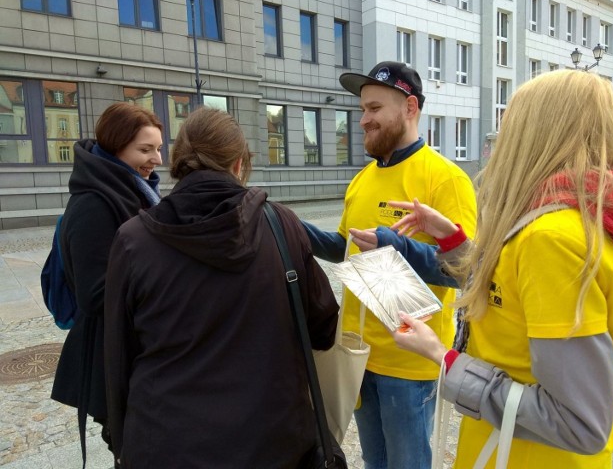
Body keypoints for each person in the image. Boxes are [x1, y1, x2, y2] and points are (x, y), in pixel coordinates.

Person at [390, 69, 613, 468]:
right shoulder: (586, 217)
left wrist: (442, 358)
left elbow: (578, 422)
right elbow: (514, 296)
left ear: (531, 135)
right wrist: (453, 242)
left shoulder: (552, 239)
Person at [103, 107, 340, 469]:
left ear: (178, 164)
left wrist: (121, 440)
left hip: (166, 444)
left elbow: (119, 356)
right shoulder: (282, 225)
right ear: (239, 165)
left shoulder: (133, 240)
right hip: (275, 441)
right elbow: (323, 329)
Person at [303, 61, 477, 469]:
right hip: (360, 353)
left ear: (410, 107)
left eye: (375, 109)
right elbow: (344, 247)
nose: (363, 120)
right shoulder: (362, 178)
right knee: (375, 463)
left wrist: (395, 246)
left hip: (410, 360)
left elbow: (464, 272)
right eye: (362, 109)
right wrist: (289, 227)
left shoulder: (445, 179)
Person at [50, 101, 163, 467]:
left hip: (133, 348)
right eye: (145, 150)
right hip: (110, 356)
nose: (157, 159)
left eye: (159, 148)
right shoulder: (93, 204)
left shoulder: (134, 191)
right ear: (116, 148)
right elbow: (96, 294)